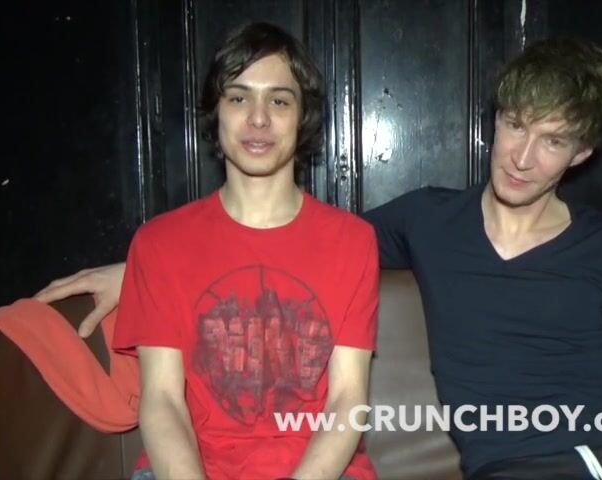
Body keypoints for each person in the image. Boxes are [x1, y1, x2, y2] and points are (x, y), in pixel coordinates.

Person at [37, 37, 602, 480]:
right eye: (515, 126)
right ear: (494, 121)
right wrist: (139, 271)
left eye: (553, 140)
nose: (522, 157)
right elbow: (283, 239)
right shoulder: (428, 220)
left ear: (582, 153)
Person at [64, 22, 380, 480]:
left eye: (279, 100)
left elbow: (347, 401)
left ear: (303, 117)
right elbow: (163, 400)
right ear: (216, 113)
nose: (258, 118)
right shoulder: (158, 244)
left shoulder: (352, 241)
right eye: (238, 98)